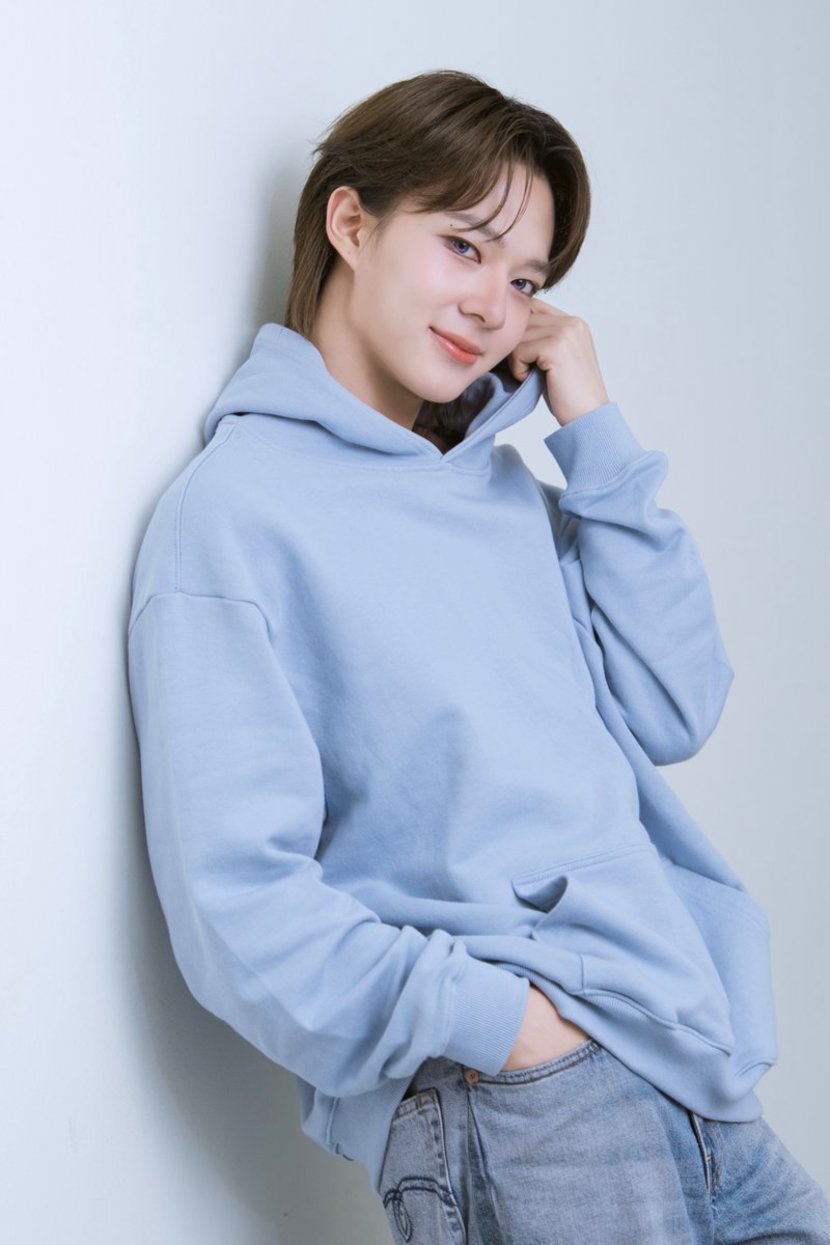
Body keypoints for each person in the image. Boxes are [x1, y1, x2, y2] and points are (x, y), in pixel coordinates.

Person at [126, 69, 830, 1242]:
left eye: (525, 281)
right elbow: (234, 902)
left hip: (687, 1056)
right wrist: (500, 1028)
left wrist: (592, 430)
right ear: (351, 224)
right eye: (462, 247)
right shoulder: (235, 516)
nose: (492, 306)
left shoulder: (507, 495)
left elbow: (678, 702)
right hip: (521, 1093)